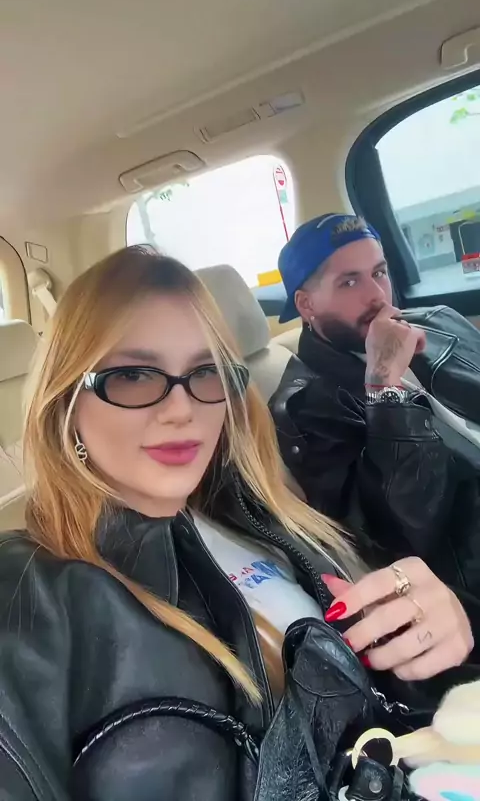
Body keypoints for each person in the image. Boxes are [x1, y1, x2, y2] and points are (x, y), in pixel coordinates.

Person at [0, 246, 477, 800]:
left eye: (205, 372)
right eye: (132, 375)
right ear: (65, 402)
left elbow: (389, 701)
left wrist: (443, 639)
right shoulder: (28, 592)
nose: (182, 409)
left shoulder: (264, 516)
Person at [270, 212, 480, 596]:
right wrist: (385, 385)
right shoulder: (305, 411)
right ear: (306, 304)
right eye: (349, 282)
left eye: (379, 273)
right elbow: (406, 535)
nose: (378, 296)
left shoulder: (439, 320)